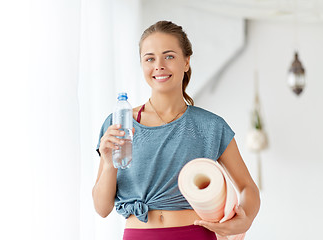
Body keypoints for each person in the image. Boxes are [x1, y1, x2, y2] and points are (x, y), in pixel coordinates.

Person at [92, 20, 260, 240]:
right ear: (142, 64)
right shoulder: (119, 124)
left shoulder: (210, 126)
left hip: (195, 234)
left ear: (186, 61)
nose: (159, 65)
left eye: (169, 56)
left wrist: (244, 219)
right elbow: (101, 208)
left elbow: (248, 188)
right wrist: (108, 164)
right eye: (150, 58)